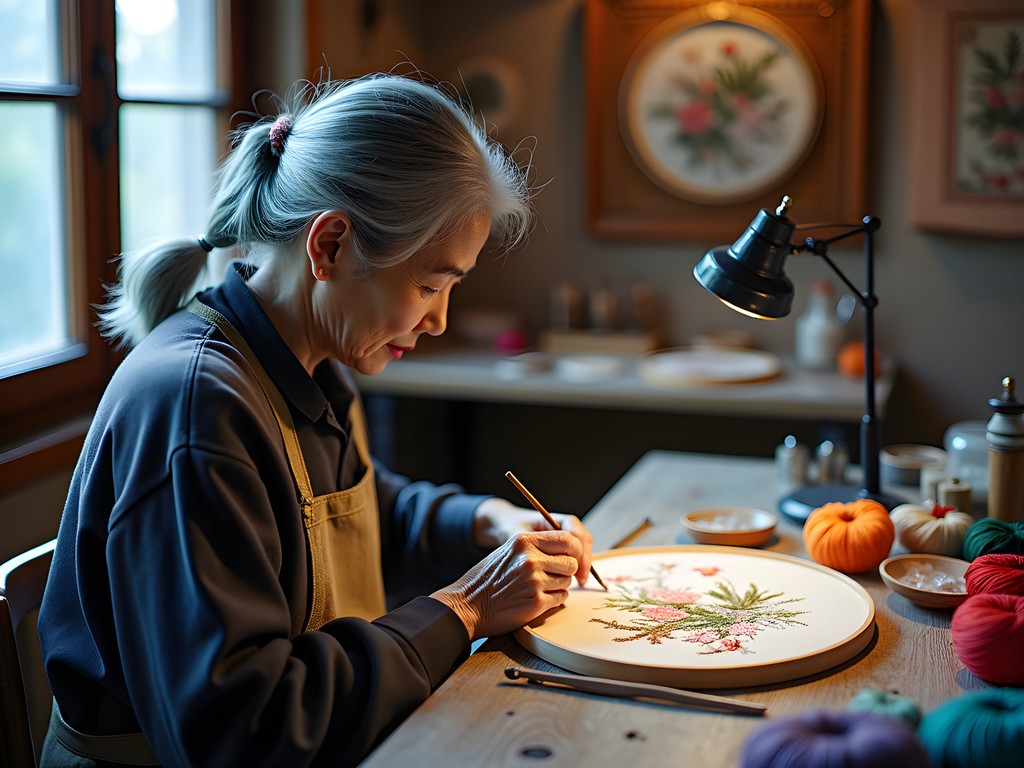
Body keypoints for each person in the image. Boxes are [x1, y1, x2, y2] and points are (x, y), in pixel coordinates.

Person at [37, 72, 594, 767]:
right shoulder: (197, 407)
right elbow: (244, 729)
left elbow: (353, 512)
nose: (439, 319)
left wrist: (486, 521)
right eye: (429, 285)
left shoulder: (307, 362)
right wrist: (464, 609)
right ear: (329, 245)